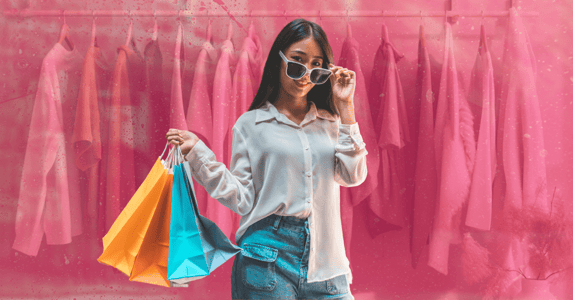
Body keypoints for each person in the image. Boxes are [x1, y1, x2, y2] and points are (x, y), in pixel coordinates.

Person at [166, 18, 367, 300]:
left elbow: (353, 176)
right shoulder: (251, 125)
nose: (305, 75)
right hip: (266, 256)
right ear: (279, 60)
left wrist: (346, 108)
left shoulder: (332, 123)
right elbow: (243, 199)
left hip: (327, 264)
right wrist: (199, 154)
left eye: (316, 67)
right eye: (297, 63)